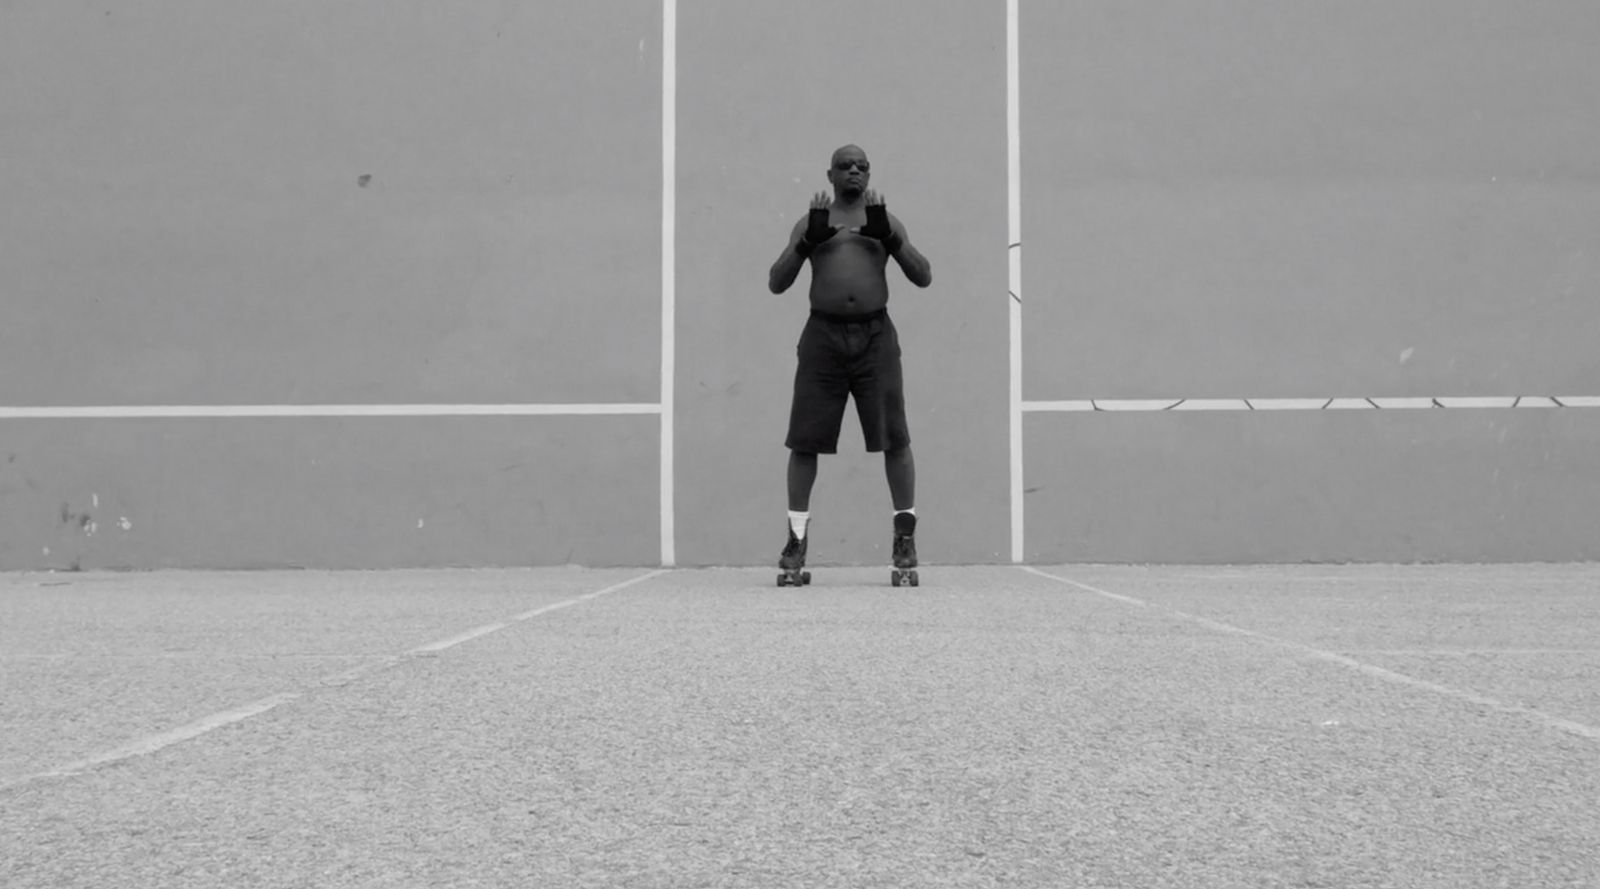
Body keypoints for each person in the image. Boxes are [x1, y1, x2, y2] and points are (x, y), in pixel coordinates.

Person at [766, 144, 934, 579]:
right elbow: (776, 282)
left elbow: (923, 275)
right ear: (830, 175)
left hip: (875, 337)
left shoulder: (883, 220)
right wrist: (807, 243)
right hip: (823, 337)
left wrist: (890, 238)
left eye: (862, 166)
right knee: (804, 441)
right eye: (846, 166)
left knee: (894, 438)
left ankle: (904, 539)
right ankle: (796, 541)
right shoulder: (813, 223)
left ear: (869, 174)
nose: (854, 171)